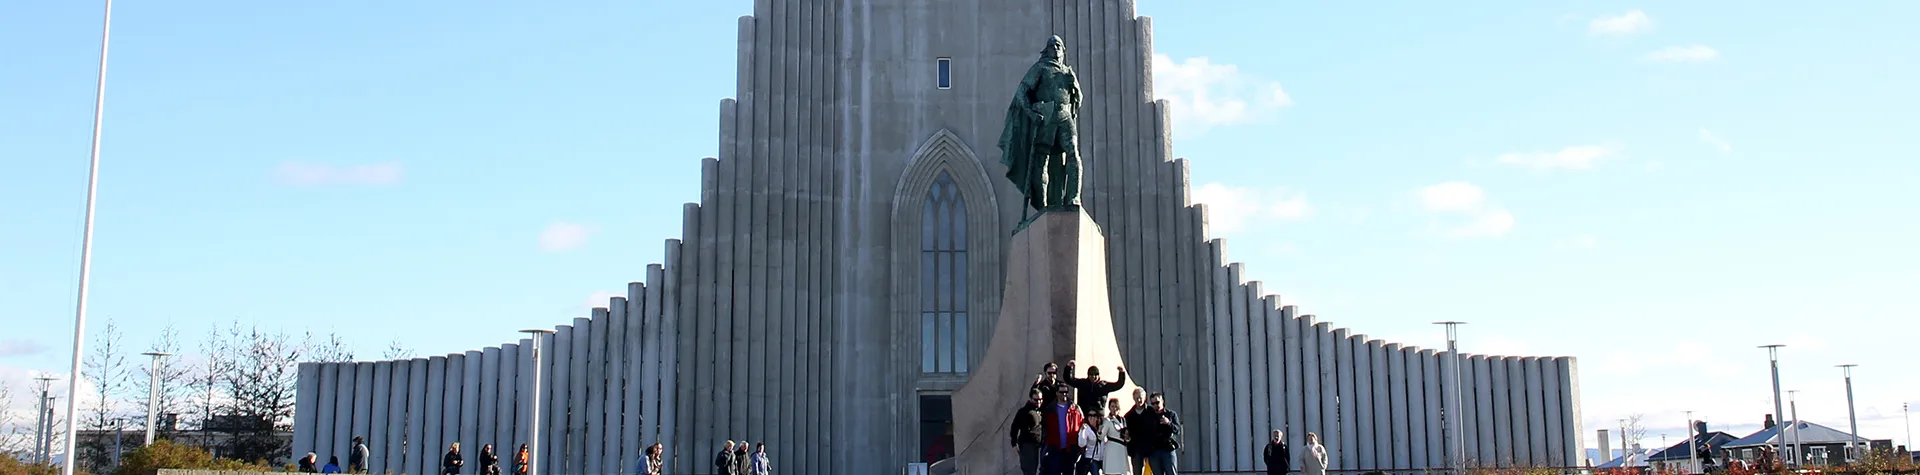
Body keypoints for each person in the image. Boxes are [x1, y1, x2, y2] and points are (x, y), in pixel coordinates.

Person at [1041, 385, 1086, 475]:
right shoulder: (1050, 409)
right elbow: (1044, 428)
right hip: (1054, 448)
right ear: (1057, 393)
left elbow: (1082, 425)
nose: (1064, 394)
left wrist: (1080, 447)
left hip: (1071, 448)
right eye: (1062, 392)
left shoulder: (1075, 408)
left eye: (1066, 392)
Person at [1138, 392, 1182, 475]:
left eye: (1157, 402)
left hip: (1168, 449)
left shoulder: (1171, 414)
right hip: (1154, 451)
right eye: (1153, 403)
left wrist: (1168, 423)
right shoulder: (1149, 416)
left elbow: (1177, 430)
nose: (1155, 406)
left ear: (1163, 401)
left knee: (1171, 472)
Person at [1062, 362, 1128, 415]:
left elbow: (1118, 385)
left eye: (1095, 374)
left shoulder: (1104, 385)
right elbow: (1068, 379)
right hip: (1083, 415)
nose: (1093, 377)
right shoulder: (1082, 383)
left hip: (1099, 416)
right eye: (1091, 375)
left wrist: (1121, 373)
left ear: (1099, 375)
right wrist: (1069, 367)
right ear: (1088, 375)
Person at [1012, 387, 1048, 475]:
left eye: (1040, 399)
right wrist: (1013, 443)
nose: (1039, 402)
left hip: (1037, 445)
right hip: (1027, 445)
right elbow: (1014, 427)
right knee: (1029, 471)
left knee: (1035, 470)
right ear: (1031, 399)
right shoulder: (1024, 412)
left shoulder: (1039, 411)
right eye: (1036, 400)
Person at [1121, 388, 1151, 475]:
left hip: (1151, 448)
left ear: (1145, 398)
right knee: (1137, 472)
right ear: (1133, 398)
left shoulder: (1151, 412)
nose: (1139, 400)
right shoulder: (1129, 416)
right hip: (1136, 449)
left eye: (1141, 397)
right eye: (1136, 397)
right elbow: (1124, 432)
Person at [1100, 402, 1130, 475]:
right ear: (1109, 408)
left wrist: (1127, 437)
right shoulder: (1107, 421)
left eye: (1116, 406)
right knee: (1111, 471)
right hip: (1112, 450)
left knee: (1121, 472)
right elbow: (1101, 436)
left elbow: (1126, 436)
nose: (1114, 409)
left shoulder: (1123, 420)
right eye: (1112, 406)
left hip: (1122, 449)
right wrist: (1099, 431)